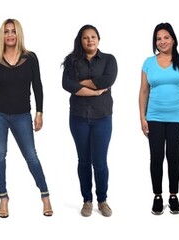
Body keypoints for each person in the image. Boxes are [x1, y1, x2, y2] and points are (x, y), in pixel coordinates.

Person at [0, 19, 52, 218]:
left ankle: (45, 195)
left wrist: (40, 112)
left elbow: (37, 85)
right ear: (2, 35)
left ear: (19, 34)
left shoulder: (30, 58)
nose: (10, 35)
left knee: (31, 156)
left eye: (13, 31)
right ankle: (3, 197)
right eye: (6, 32)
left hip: (22, 114)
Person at [139, 22, 179, 215]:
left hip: (177, 117)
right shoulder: (148, 62)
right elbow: (143, 91)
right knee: (156, 157)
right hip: (154, 117)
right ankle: (157, 195)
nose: (162, 41)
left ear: (173, 39)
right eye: (158, 38)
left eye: (166, 37)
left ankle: (173, 195)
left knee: (173, 157)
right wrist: (142, 117)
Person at [62, 24, 117, 217]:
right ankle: (87, 200)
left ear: (99, 39)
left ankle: (102, 200)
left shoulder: (109, 60)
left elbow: (107, 81)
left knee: (100, 162)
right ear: (81, 40)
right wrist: (93, 89)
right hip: (78, 117)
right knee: (83, 161)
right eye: (86, 37)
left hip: (102, 117)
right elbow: (66, 84)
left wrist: (81, 84)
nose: (90, 40)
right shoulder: (72, 60)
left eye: (93, 36)